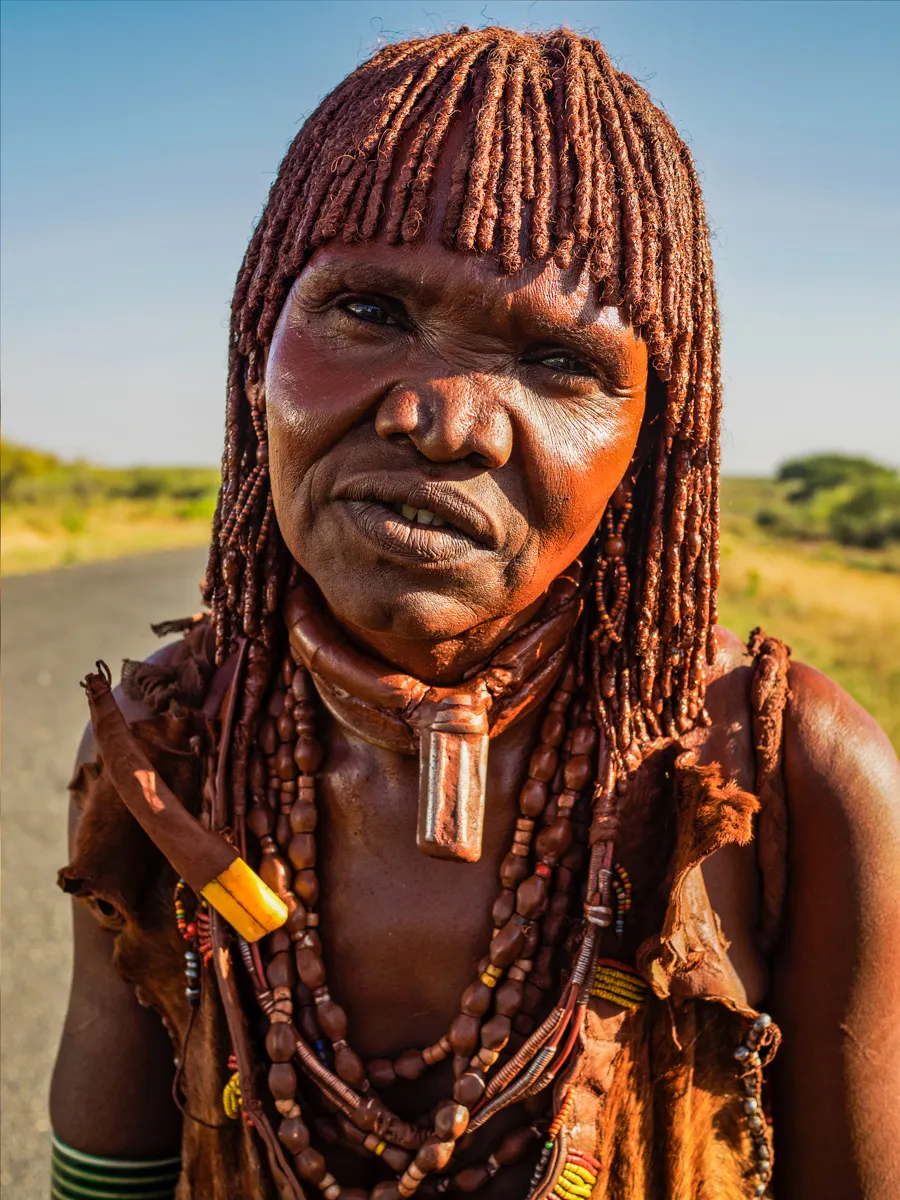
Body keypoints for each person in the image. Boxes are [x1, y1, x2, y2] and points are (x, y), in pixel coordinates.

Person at [49, 25, 900, 1200]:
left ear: (648, 448)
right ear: (258, 350)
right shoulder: (166, 750)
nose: (446, 419)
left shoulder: (791, 775)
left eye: (558, 362)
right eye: (370, 312)